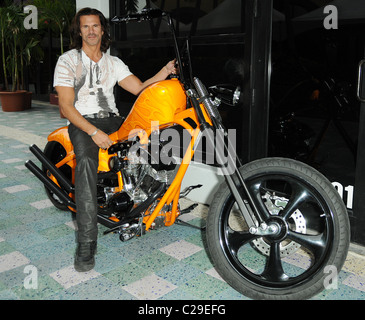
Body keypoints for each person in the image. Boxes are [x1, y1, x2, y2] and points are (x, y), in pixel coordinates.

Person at [53, 7, 176, 272]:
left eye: (95, 26)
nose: (91, 31)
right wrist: (93, 132)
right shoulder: (67, 61)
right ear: (79, 31)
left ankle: (145, 204)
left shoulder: (113, 62)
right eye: (85, 26)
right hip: (82, 120)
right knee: (86, 161)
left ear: (103, 29)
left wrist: (166, 70)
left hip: (112, 118)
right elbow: (66, 107)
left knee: (151, 143)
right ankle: (86, 242)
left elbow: (141, 88)